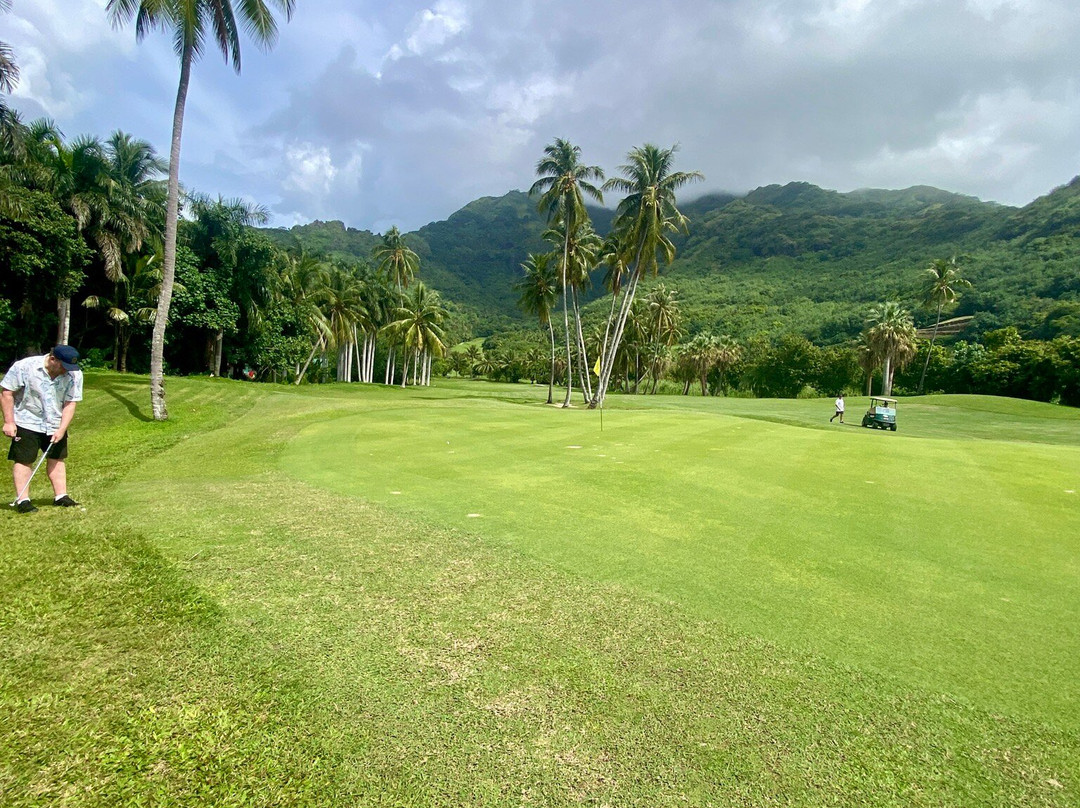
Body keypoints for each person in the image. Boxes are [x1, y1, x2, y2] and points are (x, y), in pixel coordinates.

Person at [2, 345, 83, 513]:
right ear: (53, 359)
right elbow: (6, 392)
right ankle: (23, 500)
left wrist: (62, 429)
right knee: (24, 459)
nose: (66, 371)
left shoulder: (74, 374)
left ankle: (61, 496)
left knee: (57, 458)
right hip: (26, 420)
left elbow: (70, 403)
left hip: (55, 422)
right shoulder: (25, 367)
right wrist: (9, 422)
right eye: (63, 366)